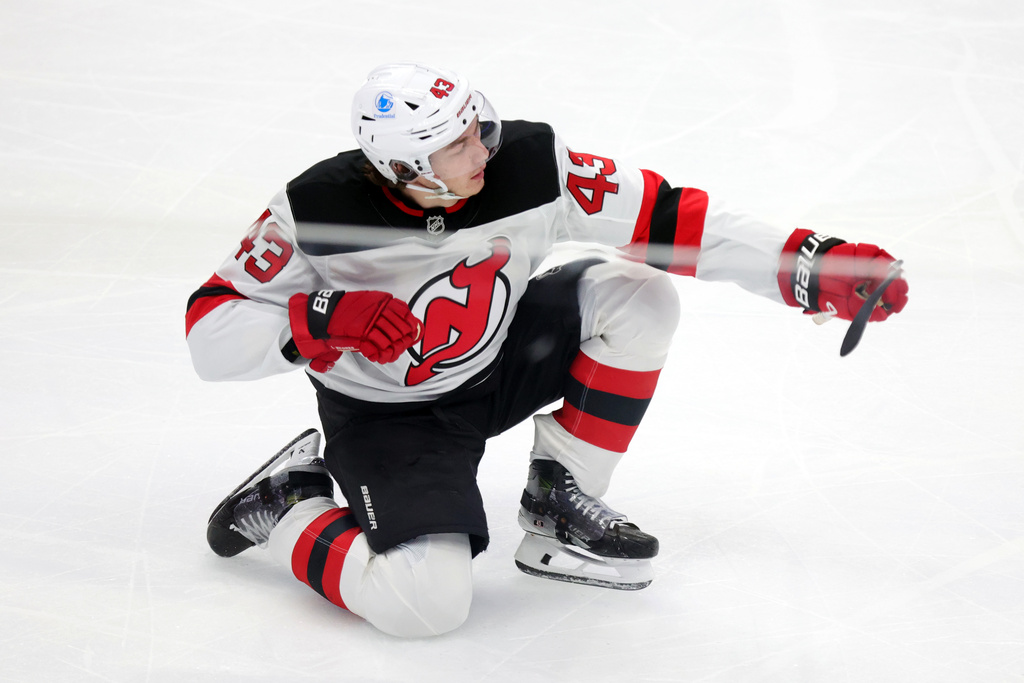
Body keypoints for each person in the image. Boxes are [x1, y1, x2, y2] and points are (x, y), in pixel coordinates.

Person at [185, 62, 909, 638]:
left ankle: (558, 497)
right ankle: (284, 504)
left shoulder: (532, 164)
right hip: (389, 418)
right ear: (406, 169)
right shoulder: (313, 209)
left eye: (477, 126)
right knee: (425, 604)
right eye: (458, 144)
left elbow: (668, 217)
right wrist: (322, 316)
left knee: (639, 293)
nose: (484, 148)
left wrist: (808, 267)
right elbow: (209, 328)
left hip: (498, 360)